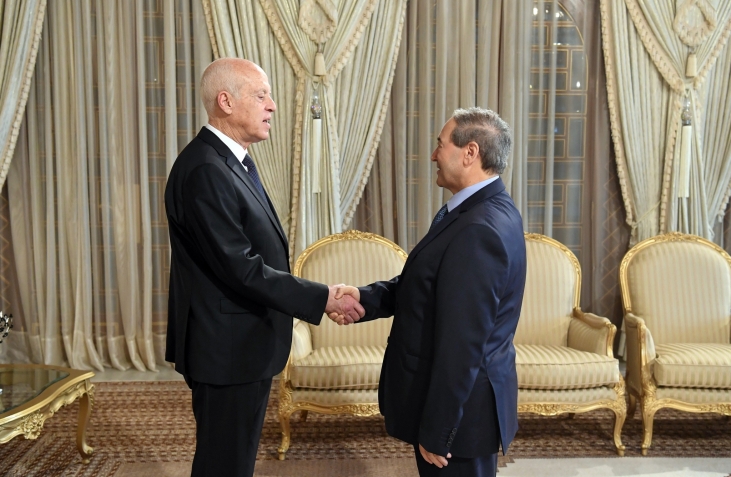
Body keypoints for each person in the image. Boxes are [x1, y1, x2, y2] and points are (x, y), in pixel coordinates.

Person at [164, 58, 362, 477]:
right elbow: (241, 268)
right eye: (261, 95)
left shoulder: (230, 162)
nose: (272, 105)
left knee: (233, 461)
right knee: (224, 465)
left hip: (240, 345)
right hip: (226, 350)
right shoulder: (206, 170)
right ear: (226, 102)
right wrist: (322, 297)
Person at [335, 107, 527, 477]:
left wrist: (440, 431)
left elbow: (463, 344)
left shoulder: (479, 228)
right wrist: (364, 298)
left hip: (459, 422)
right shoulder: (481, 210)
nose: (434, 155)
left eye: (440, 145)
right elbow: (430, 287)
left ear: (470, 152)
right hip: (460, 412)